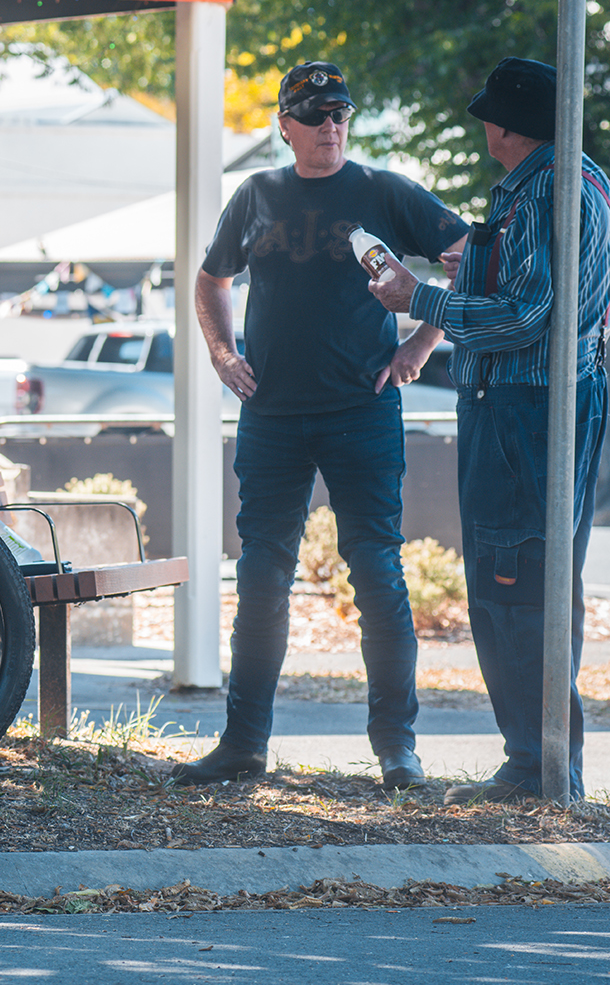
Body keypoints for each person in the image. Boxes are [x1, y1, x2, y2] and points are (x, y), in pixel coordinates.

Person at [176, 61, 469, 790]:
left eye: (339, 112)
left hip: (361, 411)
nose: (330, 126)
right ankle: (243, 743)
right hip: (271, 415)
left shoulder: (382, 190)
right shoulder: (257, 194)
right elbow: (210, 278)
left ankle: (397, 749)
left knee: (376, 571)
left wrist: (418, 342)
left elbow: (466, 256)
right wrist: (221, 352)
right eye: (314, 115)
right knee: (261, 576)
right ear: (286, 126)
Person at [367, 57, 610, 804]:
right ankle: (549, 762)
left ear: (511, 126)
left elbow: (526, 316)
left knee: (510, 582)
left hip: (521, 405)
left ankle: (533, 766)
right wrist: (475, 265)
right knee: (547, 582)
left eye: (490, 115)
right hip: (570, 395)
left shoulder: (543, 187)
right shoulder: (594, 182)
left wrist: (421, 298)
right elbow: (570, 303)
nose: (483, 124)